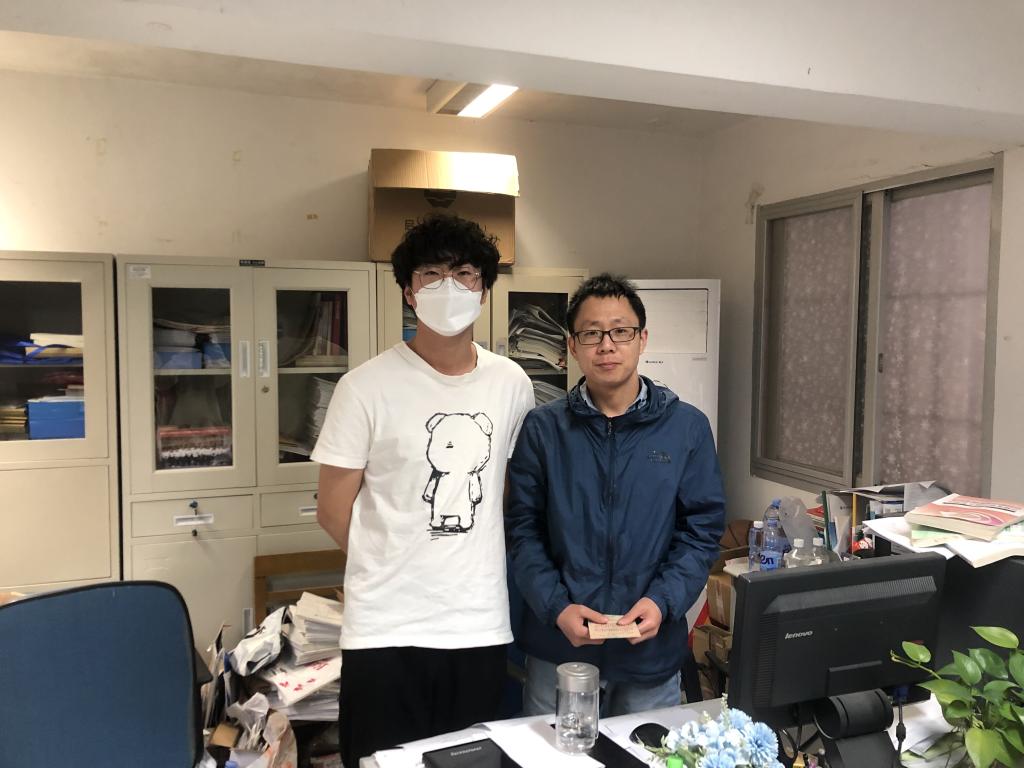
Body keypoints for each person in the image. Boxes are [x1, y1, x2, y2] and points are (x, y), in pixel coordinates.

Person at [312, 214, 534, 767]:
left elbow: (507, 493)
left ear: (483, 290)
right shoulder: (364, 387)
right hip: (385, 630)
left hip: (478, 625)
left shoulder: (512, 384)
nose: (448, 287)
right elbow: (332, 511)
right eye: (431, 274)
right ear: (409, 292)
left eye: (464, 274)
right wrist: (395, 558)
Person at [506, 273, 726, 716]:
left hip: (648, 652)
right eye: (592, 334)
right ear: (573, 345)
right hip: (560, 650)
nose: (607, 346)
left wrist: (662, 602)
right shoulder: (544, 430)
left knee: (644, 750)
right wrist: (557, 607)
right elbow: (522, 531)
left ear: (642, 339)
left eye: (620, 331)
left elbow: (701, 532)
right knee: (552, 752)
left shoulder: (686, 427)